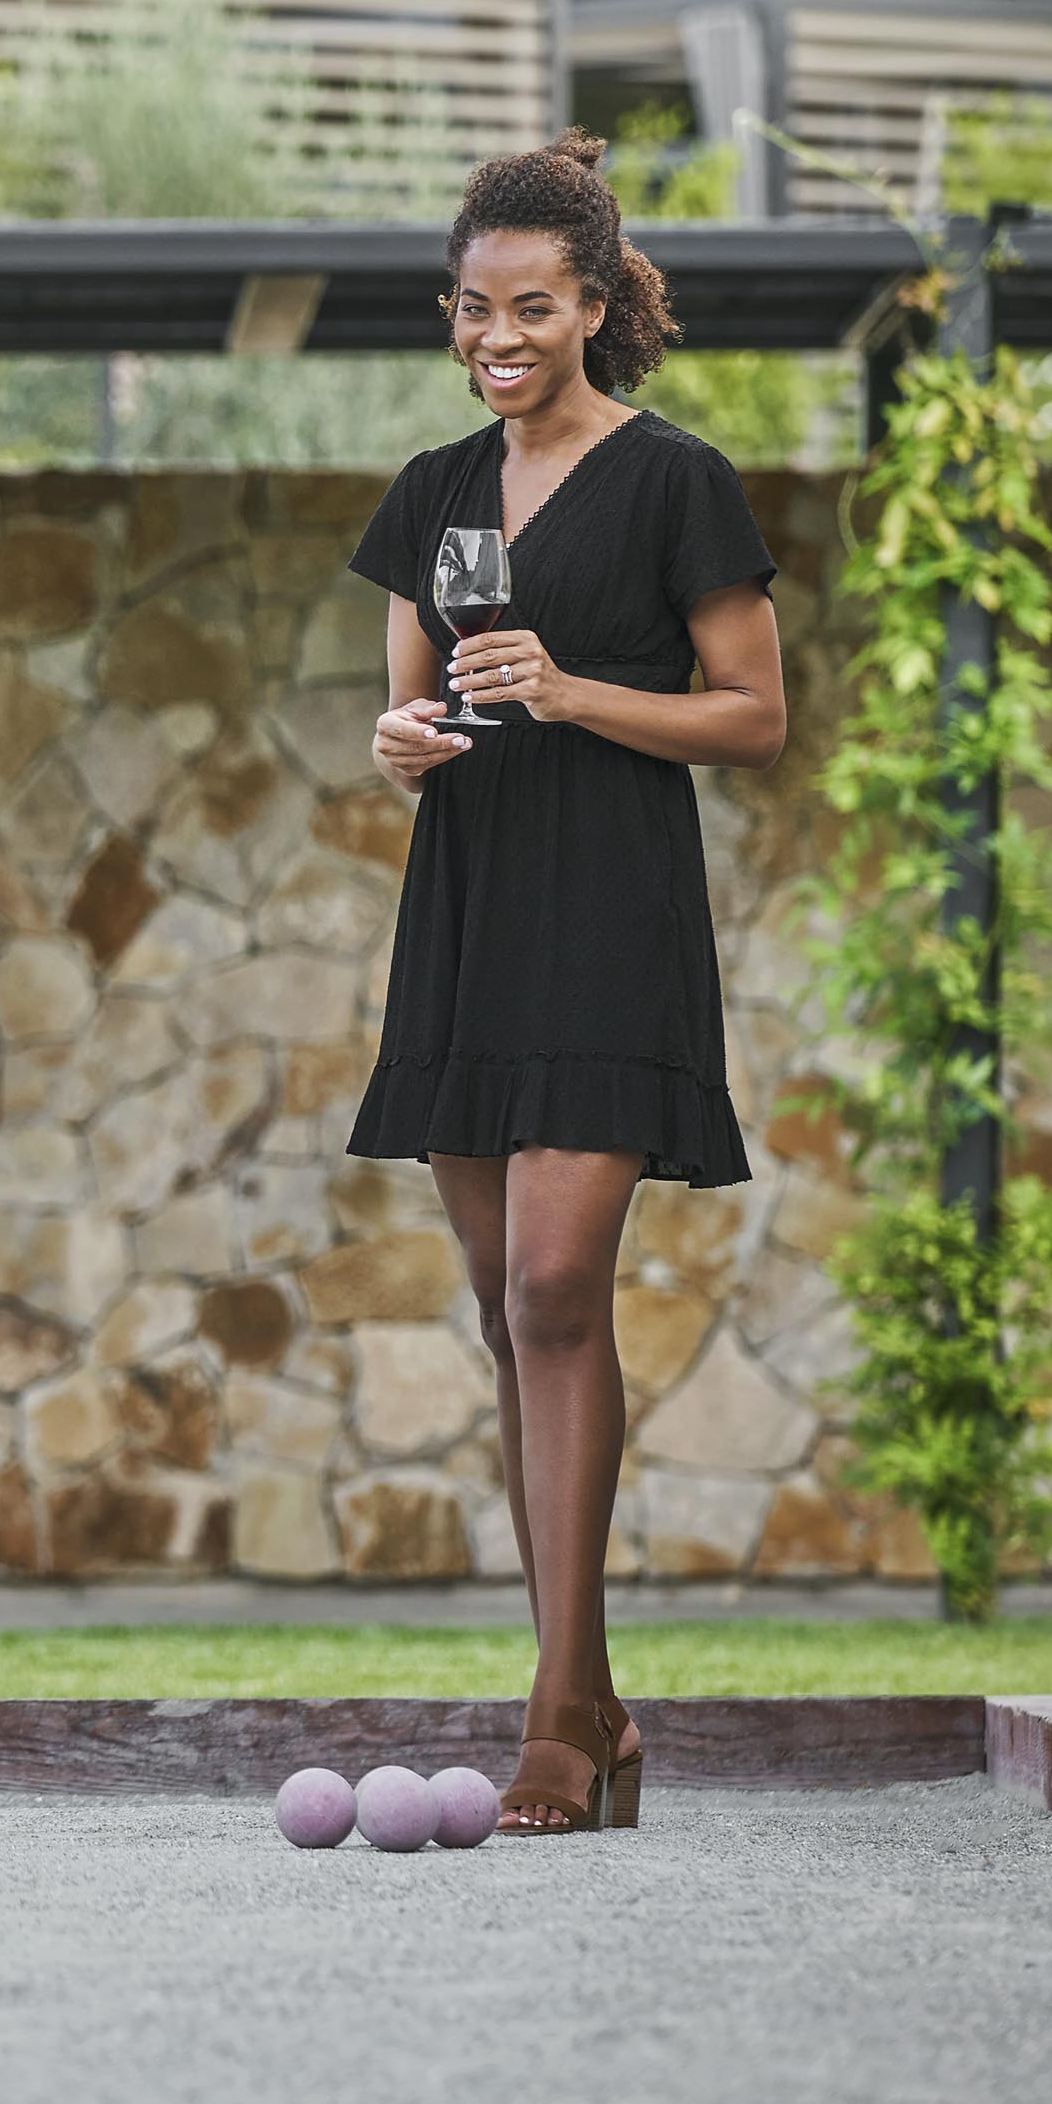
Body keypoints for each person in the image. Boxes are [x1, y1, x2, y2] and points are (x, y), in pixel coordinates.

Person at [350, 134, 791, 1835]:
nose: (499, 336)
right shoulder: (433, 488)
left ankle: (554, 1711)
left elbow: (754, 718)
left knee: (551, 1287)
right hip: (469, 911)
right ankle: (591, 1704)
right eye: (474, 309)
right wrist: (400, 743)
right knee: (504, 1304)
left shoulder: (679, 480)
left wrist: (581, 688)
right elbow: (414, 719)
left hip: (611, 910)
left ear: (598, 308)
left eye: (533, 307)